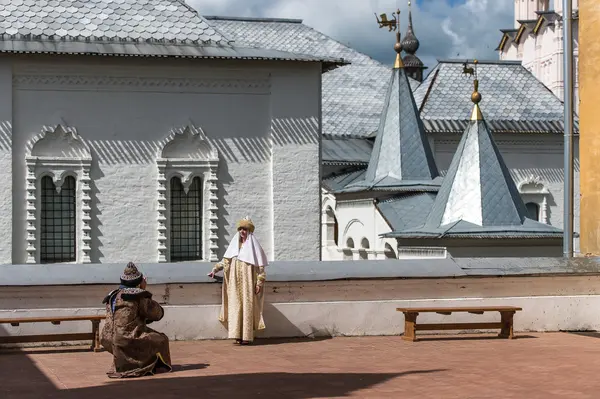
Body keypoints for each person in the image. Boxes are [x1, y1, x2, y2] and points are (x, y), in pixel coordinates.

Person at [100, 262, 172, 378]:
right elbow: (156, 314)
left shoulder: (113, 294)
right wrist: (144, 290)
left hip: (107, 338)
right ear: (139, 281)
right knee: (161, 339)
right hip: (127, 337)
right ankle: (150, 366)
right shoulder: (138, 295)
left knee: (124, 337)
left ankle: (125, 365)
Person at [208, 216, 268, 345]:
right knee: (235, 306)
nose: (242, 231)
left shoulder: (253, 247)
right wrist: (215, 269)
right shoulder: (234, 245)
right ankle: (236, 335)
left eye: (245, 229)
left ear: (249, 231)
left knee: (247, 307)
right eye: (240, 228)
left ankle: (246, 336)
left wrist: (259, 283)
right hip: (235, 283)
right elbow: (226, 261)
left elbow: (260, 268)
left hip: (248, 282)